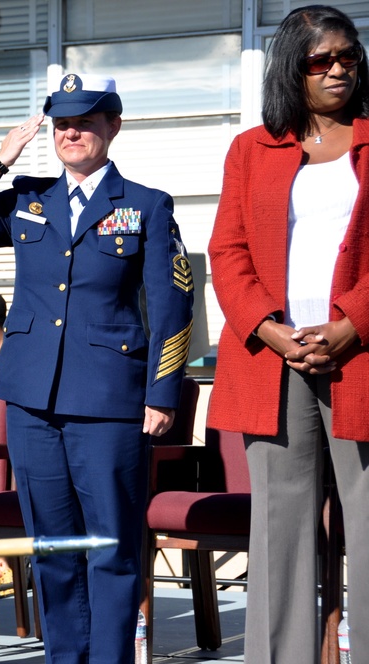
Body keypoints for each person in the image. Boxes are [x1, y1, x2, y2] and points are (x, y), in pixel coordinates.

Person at [0, 73, 194, 662]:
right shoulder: (29, 197)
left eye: (84, 122)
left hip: (108, 400)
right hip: (31, 399)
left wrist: (162, 393)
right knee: (52, 547)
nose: (70, 133)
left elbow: (174, 305)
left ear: (113, 127)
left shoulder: (146, 205)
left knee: (110, 546)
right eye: (61, 125)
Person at [207, 6, 369, 662]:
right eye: (320, 61)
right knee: (279, 534)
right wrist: (270, 331)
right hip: (272, 365)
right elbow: (228, 250)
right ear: (291, 69)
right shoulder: (251, 148)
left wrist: (350, 325)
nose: (337, 70)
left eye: (348, 57)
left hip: (359, 358)